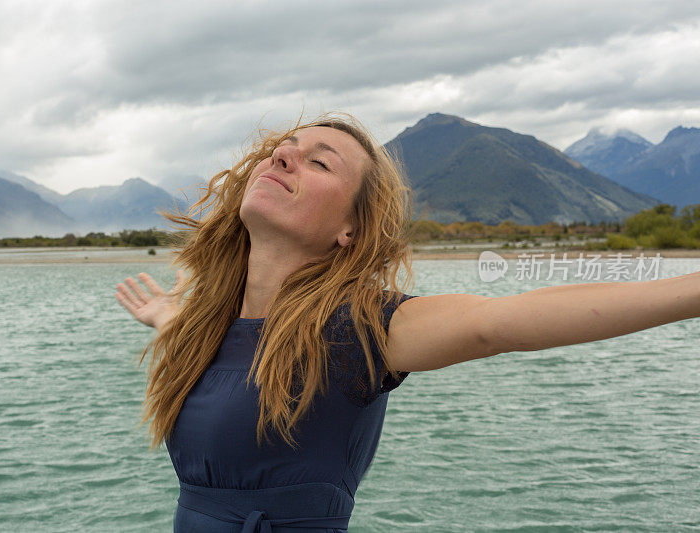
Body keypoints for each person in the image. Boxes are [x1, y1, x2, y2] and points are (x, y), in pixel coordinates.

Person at [115, 112, 700, 532]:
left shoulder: (355, 333)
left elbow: (498, 322)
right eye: (284, 148)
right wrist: (173, 318)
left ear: (351, 231)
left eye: (319, 161)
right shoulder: (209, 330)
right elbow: (241, 364)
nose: (282, 155)